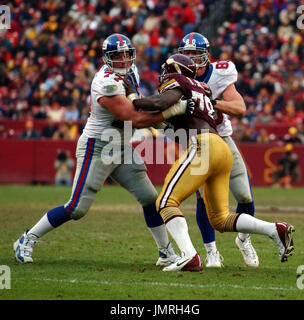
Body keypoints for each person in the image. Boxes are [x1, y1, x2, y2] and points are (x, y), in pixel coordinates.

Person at [13, 33, 189, 265]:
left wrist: (163, 120)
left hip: (121, 145)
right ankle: (27, 238)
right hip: (98, 147)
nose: (124, 60)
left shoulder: (131, 72)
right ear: (107, 58)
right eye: (118, 56)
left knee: (150, 198)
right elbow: (134, 118)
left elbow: (140, 104)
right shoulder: (105, 82)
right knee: (77, 208)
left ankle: (165, 252)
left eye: (127, 54)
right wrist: (172, 111)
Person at [126, 53, 294, 272]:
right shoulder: (200, 88)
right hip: (221, 148)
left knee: (165, 202)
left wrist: (133, 99)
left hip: (204, 146)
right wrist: (163, 120)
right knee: (220, 219)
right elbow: (179, 120)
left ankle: (189, 255)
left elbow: (161, 102)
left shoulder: (180, 82)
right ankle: (275, 229)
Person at [178, 32, 258, 268]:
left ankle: (243, 238)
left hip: (222, 137)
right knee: (204, 198)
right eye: (188, 53)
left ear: (207, 56)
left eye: (196, 54)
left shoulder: (221, 72)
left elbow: (240, 108)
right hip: (197, 140)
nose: (192, 58)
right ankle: (211, 252)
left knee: (244, 195)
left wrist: (212, 102)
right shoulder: (175, 78)